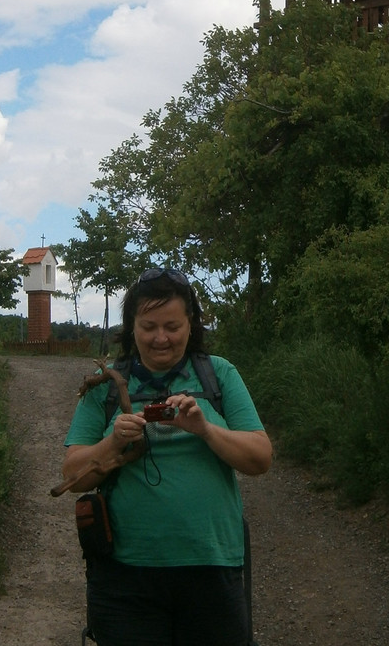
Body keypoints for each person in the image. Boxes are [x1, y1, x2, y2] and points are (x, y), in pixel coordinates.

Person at [62, 267, 273, 646]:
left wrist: (204, 429)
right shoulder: (105, 386)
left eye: (173, 326)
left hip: (213, 569)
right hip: (125, 577)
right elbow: (72, 475)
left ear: (191, 324)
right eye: (149, 326)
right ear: (132, 327)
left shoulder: (219, 375)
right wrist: (112, 444)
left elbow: (260, 458)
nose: (161, 338)